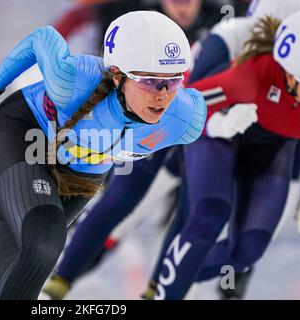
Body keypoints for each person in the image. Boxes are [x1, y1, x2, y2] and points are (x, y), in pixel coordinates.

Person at [0, 10, 206, 300]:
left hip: (81, 173)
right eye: (150, 81)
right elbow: (42, 38)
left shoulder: (184, 119)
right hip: (23, 134)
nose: (163, 94)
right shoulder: (73, 81)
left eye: (173, 81)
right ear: (117, 76)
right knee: (44, 242)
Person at [42, 0, 226, 300]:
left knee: (194, 209)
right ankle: (61, 279)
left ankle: (163, 288)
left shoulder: (226, 13)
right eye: (174, 1)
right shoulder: (136, 14)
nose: (182, 8)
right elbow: (80, 15)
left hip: (203, 128)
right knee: (121, 203)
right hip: (154, 126)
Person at [148, 9, 300, 300]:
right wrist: (218, 124)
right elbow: (180, 106)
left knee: (248, 250)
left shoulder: (294, 81)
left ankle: (172, 283)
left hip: (269, 152)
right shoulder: (254, 76)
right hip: (218, 138)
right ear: (291, 77)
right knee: (211, 213)